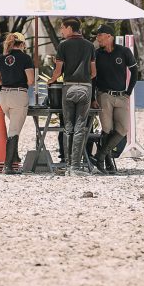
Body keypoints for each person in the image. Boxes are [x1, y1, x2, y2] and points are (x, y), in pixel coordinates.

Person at [48, 17, 96, 175]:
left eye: (62, 28)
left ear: (69, 28)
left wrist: (51, 80)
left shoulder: (63, 45)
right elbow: (94, 72)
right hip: (85, 88)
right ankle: (76, 167)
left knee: (68, 128)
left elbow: (58, 71)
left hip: (68, 87)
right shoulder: (90, 46)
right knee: (80, 127)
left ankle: (68, 166)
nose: (61, 31)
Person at [92, 24, 139, 174]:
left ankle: (100, 156)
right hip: (104, 95)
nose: (97, 38)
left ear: (109, 36)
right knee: (106, 129)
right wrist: (93, 97)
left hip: (122, 96)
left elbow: (135, 71)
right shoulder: (96, 54)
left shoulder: (124, 51)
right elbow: (93, 77)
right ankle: (106, 162)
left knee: (123, 129)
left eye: (100, 35)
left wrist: (128, 92)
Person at [0, 32, 35, 175]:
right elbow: (30, 81)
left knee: (13, 127)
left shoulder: (0, 58)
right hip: (18, 94)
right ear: (22, 44)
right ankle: (8, 165)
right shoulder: (26, 58)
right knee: (14, 131)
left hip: (4, 95)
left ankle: (15, 157)